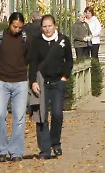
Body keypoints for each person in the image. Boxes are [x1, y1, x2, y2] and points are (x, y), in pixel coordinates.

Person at [0, 12, 32, 163]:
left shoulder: (26, 39)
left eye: (20, 27)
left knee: (19, 117)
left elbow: (29, 57)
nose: (17, 30)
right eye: (15, 27)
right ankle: (1, 150)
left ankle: (16, 151)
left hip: (20, 81)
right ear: (9, 24)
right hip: (2, 82)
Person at [28, 14, 73, 160]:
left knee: (57, 114)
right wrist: (33, 81)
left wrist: (65, 76)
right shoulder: (37, 41)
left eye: (49, 26)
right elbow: (33, 62)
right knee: (41, 117)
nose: (47, 29)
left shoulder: (63, 40)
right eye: (44, 26)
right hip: (42, 82)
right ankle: (45, 149)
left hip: (58, 82)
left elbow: (69, 60)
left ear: (55, 25)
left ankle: (55, 142)